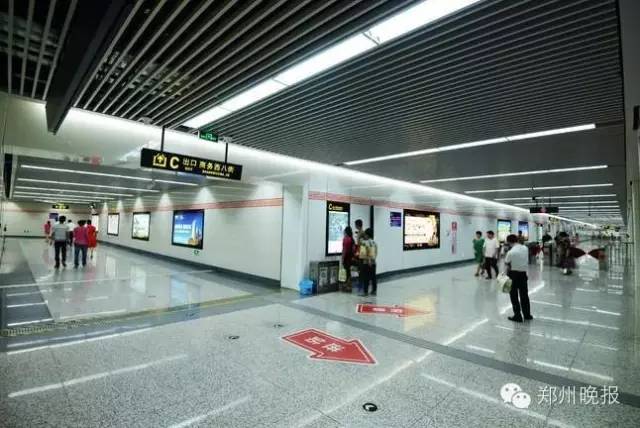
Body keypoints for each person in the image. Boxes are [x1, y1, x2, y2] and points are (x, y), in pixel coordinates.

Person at [504, 234, 533, 322]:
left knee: (514, 296)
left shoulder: (510, 252)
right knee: (524, 295)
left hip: (513, 275)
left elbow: (507, 264)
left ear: (509, 242)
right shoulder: (525, 248)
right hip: (523, 274)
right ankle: (527, 315)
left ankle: (517, 316)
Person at [358, 228, 378, 296]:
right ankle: (374, 290)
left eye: (365, 235)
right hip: (373, 262)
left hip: (366, 262)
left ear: (367, 235)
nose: (364, 236)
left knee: (366, 278)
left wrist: (368, 259)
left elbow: (364, 253)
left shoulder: (365, 243)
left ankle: (365, 292)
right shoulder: (375, 243)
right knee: (373, 277)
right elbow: (376, 253)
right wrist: (372, 259)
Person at [341, 226, 355, 292]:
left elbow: (344, 250)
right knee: (348, 272)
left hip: (346, 257)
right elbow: (353, 249)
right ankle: (349, 286)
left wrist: (342, 258)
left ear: (346, 232)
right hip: (351, 258)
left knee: (346, 272)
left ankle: (347, 287)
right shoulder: (352, 239)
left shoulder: (345, 239)